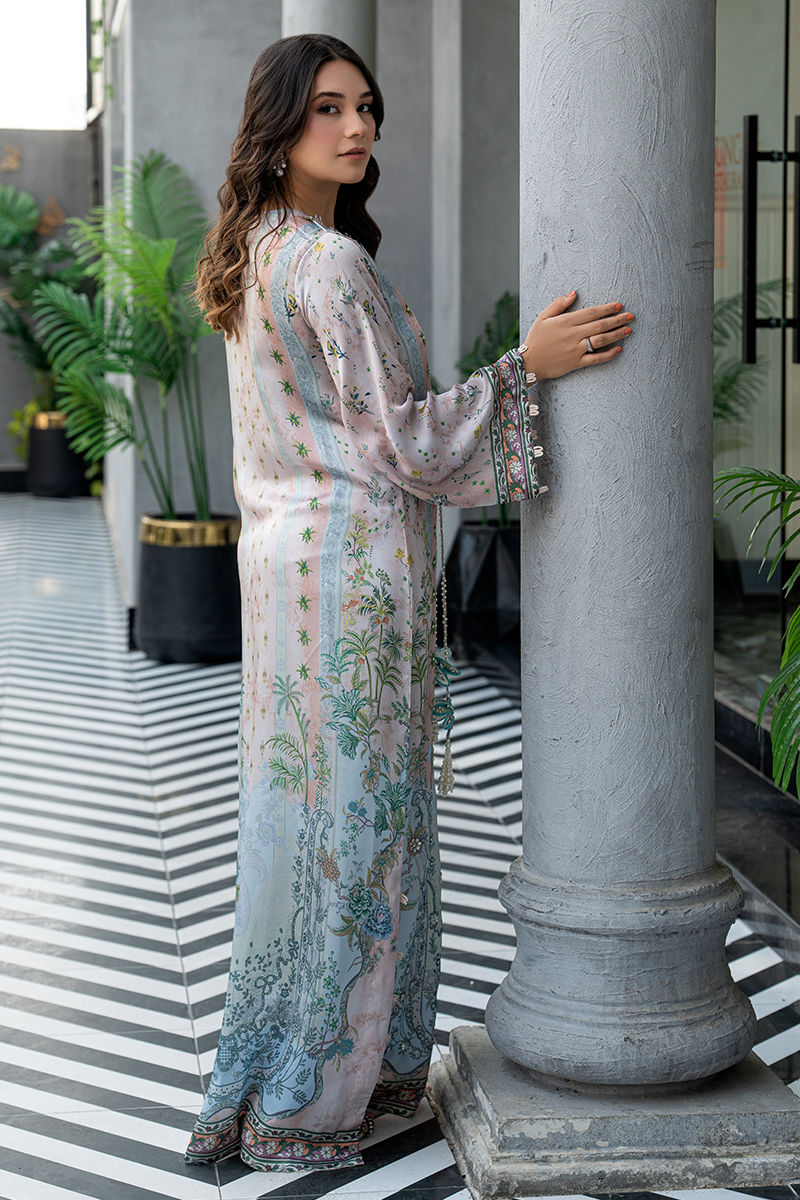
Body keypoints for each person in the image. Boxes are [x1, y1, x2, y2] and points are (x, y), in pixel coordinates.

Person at [185, 33, 634, 1174]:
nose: (357, 128)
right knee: (363, 833)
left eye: (367, 106)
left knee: (302, 828)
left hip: (284, 582)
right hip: (352, 581)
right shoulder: (328, 264)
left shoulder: (251, 251)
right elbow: (411, 441)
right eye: (327, 108)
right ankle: (315, 1100)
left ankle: (292, 1078)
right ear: (277, 125)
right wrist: (526, 367)